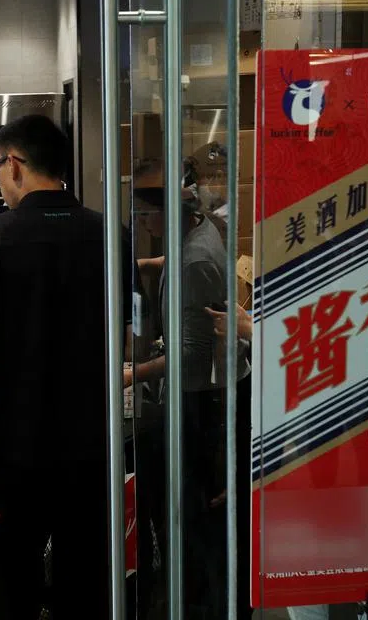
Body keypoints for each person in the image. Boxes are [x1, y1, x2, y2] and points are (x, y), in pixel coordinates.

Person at [0, 114, 129, 620]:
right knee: (88, 585)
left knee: (15, 586)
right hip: (94, 445)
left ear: (14, 165)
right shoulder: (110, 232)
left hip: (18, 449)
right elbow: (124, 336)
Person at [129, 165, 231, 618]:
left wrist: (134, 373)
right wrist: (147, 266)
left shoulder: (195, 261)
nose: (142, 224)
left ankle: (197, 601)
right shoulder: (197, 231)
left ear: (166, 215)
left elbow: (192, 356)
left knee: (195, 514)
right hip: (194, 393)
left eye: (145, 216)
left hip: (199, 399)